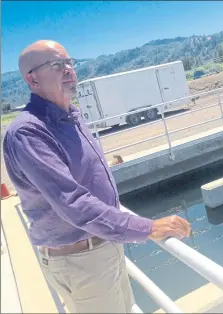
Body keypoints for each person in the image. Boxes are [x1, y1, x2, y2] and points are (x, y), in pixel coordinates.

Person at [3, 40, 191, 313]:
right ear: (32, 79)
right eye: (57, 65)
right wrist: (147, 228)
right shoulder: (28, 132)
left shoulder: (72, 117)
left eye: (70, 62)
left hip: (101, 248)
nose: (68, 70)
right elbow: (73, 202)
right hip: (82, 261)